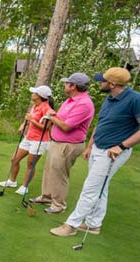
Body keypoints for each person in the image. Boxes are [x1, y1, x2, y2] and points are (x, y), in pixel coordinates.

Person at [50, 67, 140, 237]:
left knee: (90, 188)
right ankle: (93, 224)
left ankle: (71, 225)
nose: (99, 83)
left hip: (113, 152)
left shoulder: (137, 100)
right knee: (101, 187)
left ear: (112, 84)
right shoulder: (110, 98)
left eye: (102, 81)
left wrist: (121, 146)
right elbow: (102, 123)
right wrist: (90, 145)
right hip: (98, 148)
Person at [29, 72, 95, 214]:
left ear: (73, 86)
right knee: (49, 170)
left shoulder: (84, 104)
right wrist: (54, 115)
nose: (64, 85)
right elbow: (61, 118)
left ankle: (58, 205)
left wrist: (51, 118)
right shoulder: (70, 100)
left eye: (67, 83)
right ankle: (47, 196)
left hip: (68, 144)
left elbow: (66, 126)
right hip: (57, 141)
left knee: (59, 174)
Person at [0, 85, 53, 196]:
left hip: (39, 141)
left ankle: (24, 187)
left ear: (39, 96)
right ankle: (12, 181)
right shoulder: (35, 106)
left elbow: (46, 128)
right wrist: (24, 125)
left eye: (34, 93)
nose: (32, 94)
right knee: (14, 159)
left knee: (30, 164)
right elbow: (29, 119)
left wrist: (31, 120)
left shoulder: (48, 109)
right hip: (29, 137)